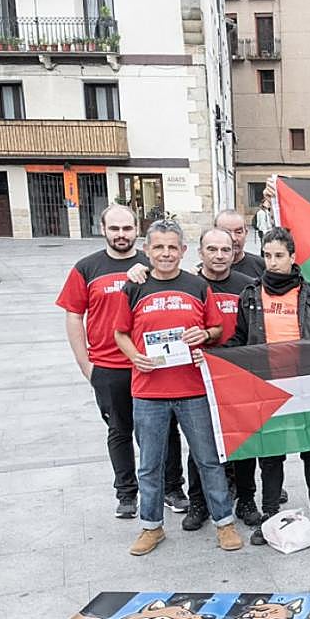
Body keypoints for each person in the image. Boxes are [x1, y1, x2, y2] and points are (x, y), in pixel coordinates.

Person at [112, 219, 242, 555]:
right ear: (147, 250)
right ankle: (151, 527)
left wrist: (205, 335)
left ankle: (224, 523)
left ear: (183, 251)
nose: (166, 253)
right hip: (148, 391)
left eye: (172, 247)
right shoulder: (134, 287)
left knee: (208, 460)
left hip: (193, 389)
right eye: (159, 247)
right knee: (150, 464)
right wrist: (135, 356)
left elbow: (215, 328)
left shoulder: (197, 286)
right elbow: (120, 333)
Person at [57, 204, 186, 519]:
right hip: (109, 368)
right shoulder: (86, 268)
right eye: (114, 229)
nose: (120, 234)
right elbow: (74, 317)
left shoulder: (153, 262)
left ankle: (172, 487)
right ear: (103, 229)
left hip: (152, 366)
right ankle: (127, 494)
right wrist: (86, 366)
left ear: (136, 232)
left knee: (165, 429)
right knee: (119, 430)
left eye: (127, 228)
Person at [224, 227, 310, 546]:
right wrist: (216, 356)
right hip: (266, 387)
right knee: (271, 454)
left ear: (293, 258)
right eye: (267, 256)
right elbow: (240, 338)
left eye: (279, 256)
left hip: (304, 384)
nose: (273, 262)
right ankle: (269, 515)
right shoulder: (251, 295)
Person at [180, 228, 258, 532]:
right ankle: (198, 501)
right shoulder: (189, 286)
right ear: (200, 253)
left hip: (239, 375)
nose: (219, 255)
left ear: (234, 252)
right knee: (200, 443)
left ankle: (247, 498)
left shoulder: (247, 285)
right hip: (197, 376)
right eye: (212, 249)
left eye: (225, 250)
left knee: (243, 441)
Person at [215, 209, 266, 279]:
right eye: (227, 232)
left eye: (238, 232)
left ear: (246, 233)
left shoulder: (263, 267)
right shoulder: (204, 271)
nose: (233, 238)